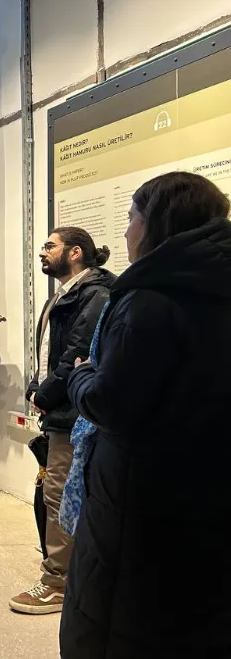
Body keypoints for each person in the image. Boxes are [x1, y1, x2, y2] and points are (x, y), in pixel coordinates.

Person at [59, 172, 231, 657]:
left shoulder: (148, 298)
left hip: (138, 496)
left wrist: (79, 376)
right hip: (208, 489)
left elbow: (111, 403)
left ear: (156, 221)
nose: (126, 229)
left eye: (132, 216)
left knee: (118, 618)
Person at [10, 227, 114, 615]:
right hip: (62, 408)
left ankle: (57, 583)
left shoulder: (94, 294)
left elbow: (76, 355)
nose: (42, 252)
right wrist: (36, 387)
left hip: (74, 414)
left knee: (59, 494)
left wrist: (45, 395)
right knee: (58, 493)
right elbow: (50, 354)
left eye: (50, 246)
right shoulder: (67, 294)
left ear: (75, 253)